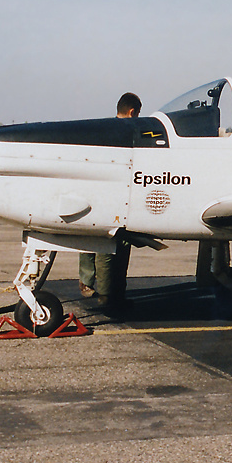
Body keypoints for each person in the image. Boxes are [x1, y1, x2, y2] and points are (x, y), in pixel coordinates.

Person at [78, 92, 141, 308]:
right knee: (116, 247)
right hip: (117, 199)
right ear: (132, 112)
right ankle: (111, 295)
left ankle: (87, 283)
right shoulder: (130, 133)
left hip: (93, 197)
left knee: (89, 240)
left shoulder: (102, 131)